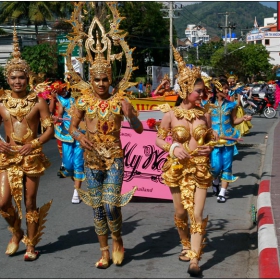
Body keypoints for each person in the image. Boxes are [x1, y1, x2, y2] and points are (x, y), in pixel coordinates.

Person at [66, 2, 143, 269]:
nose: (100, 84)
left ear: (111, 79)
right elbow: (71, 127)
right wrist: (78, 137)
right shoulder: (83, 101)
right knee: (97, 207)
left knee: (111, 204)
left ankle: (118, 240)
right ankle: (104, 250)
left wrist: (132, 115)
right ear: (91, 79)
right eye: (96, 80)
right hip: (91, 159)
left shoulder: (120, 100)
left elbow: (139, 130)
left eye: (105, 80)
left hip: (115, 159)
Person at [155, 46, 219, 276]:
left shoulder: (206, 114)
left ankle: (194, 259)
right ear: (184, 89)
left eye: (202, 91)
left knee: (196, 213)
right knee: (181, 211)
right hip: (177, 169)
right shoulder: (170, 115)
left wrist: (209, 147)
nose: (202, 95)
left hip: (200, 169)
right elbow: (158, 140)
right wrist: (173, 148)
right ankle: (185, 244)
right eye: (198, 91)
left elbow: (212, 138)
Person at [0, 28, 53, 261]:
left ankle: (31, 245)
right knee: (2, 202)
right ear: (7, 79)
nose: (18, 81)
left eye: (21, 77)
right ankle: (16, 232)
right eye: (13, 77)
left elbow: (50, 128)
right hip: (8, 156)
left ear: (27, 78)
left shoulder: (39, 102)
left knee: (30, 201)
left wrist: (35, 143)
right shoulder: (1, 102)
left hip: (31, 157)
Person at [209, 78, 252, 202]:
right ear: (217, 89)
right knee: (216, 167)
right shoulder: (208, 105)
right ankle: (215, 180)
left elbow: (234, 121)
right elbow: (205, 123)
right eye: (225, 88)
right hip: (215, 140)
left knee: (227, 166)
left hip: (229, 139)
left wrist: (243, 118)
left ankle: (222, 192)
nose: (227, 90)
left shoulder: (231, 104)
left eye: (227, 88)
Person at [53, 81, 86, 203]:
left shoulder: (84, 99)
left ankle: (77, 192)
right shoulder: (63, 99)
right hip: (67, 134)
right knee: (67, 165)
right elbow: (60, 113)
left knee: (78, 162)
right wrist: (57, 118)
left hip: (80, 134)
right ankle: (76, 177)